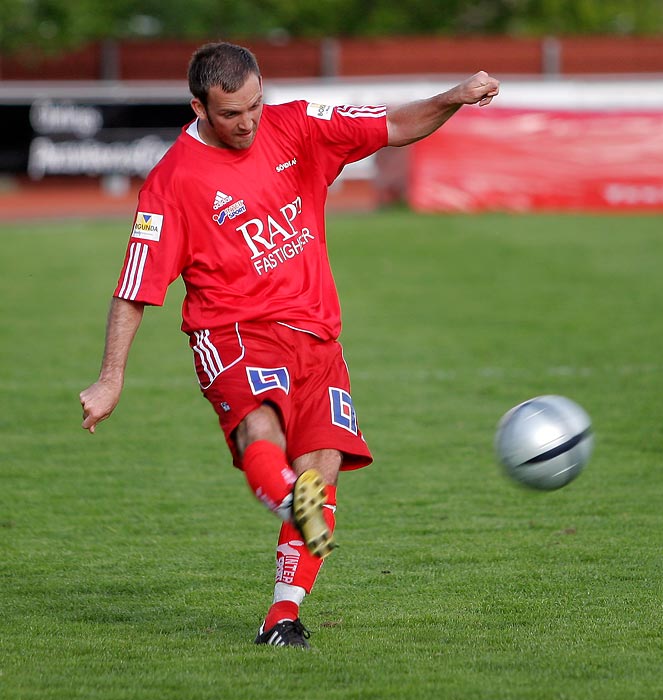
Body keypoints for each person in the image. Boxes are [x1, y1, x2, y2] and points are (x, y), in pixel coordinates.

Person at [79, 41, 500, 649]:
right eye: (230, 114)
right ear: (198, 106)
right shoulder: (172, 182)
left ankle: (282, 617)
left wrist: (454, 97)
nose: (248, 122)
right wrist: (111, 376)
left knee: (322, 468)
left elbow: (392, 125)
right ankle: (287, 501)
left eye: (254, 105)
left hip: (318, 339)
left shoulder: (298, 125)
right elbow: (134, 286)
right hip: (234, 334)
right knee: (265, 436)